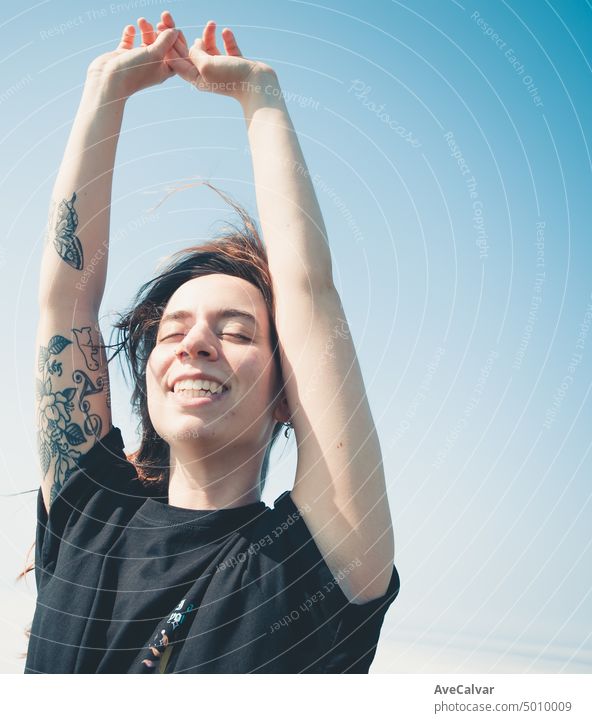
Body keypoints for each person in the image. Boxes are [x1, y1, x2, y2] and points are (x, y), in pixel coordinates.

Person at [21, 11, 400, 673]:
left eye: (236, 331)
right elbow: (67, 297)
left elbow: (310, 298)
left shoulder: (314, 562)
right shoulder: (90, 517)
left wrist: (261, 99)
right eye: (174, 328)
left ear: (287, 393)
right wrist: (103, 92)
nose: (196, 342)